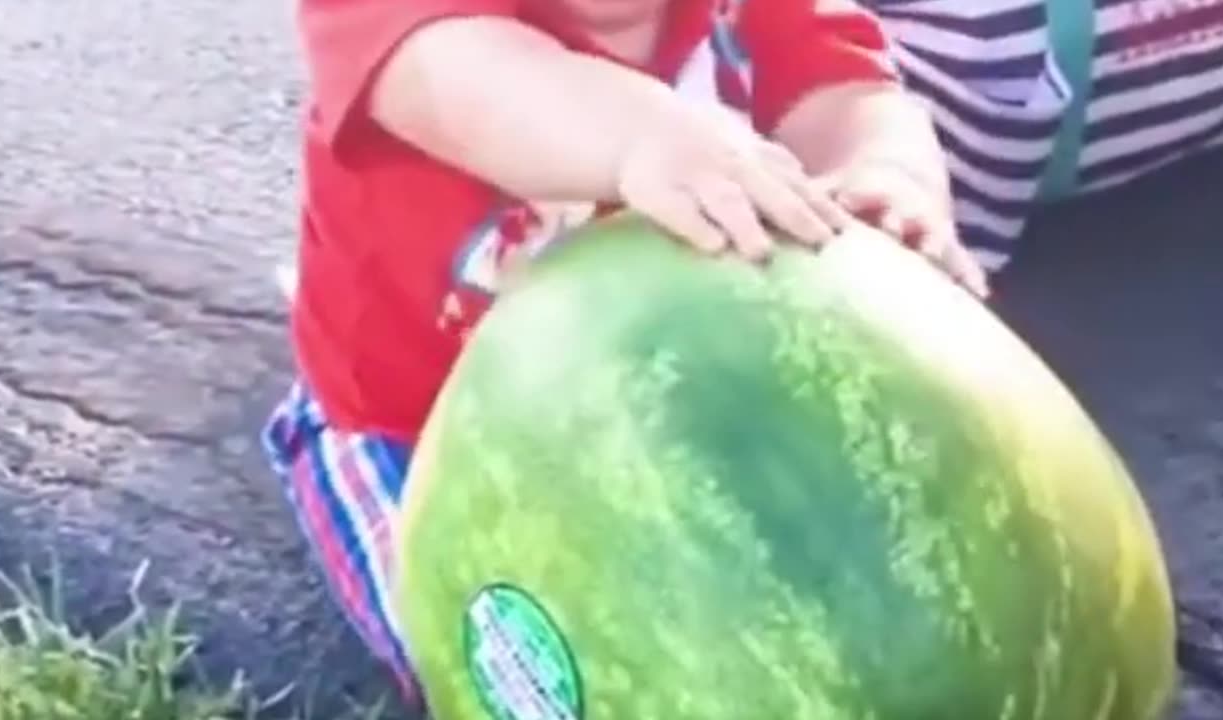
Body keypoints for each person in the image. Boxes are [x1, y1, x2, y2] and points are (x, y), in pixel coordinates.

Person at [261, 0, 988, 710]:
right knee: (482, 641)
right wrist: (644, 136)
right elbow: (462, 80)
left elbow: (846, 91)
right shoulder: (406, 23)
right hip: (413, 426)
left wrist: (886, 177)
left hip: (665, 412)